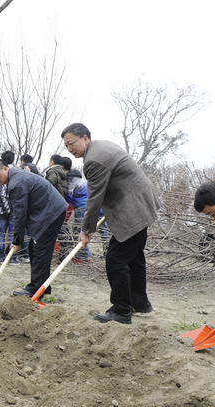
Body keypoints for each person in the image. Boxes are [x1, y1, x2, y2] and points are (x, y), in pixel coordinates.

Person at [62, 122, 160, 324]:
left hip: (133, 207)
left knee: (115, 259)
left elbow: (94, 198)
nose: (70, 149)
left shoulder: (94, 160)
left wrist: (86, 230)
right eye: (66, 146)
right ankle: (140, 302)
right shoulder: (101, 147)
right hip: (141, 202)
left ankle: (121, 310)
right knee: (133, 257)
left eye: (71, 143)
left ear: (85, 138)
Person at [0, 159, 67, 299]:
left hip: (51, 212)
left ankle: (36, 289)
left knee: (40, 250)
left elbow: (19, 214)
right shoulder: (15, 177)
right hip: (47, 210)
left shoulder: (16, 184)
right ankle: (42, 286)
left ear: (5, 168)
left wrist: (17, 240)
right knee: (34, 248)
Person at [61, 156, 92, 263]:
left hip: (81, 206)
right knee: (80, 229)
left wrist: (62, 203)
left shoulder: (71, 180)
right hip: (86, 205)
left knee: (79, 230)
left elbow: (69, 196)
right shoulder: (79, 178)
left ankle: (84, 256)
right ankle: (83, 255)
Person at [0, 150, 18, 265]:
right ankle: (12, 257)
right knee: (13, 233)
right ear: (13, 159)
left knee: (0, 233)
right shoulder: (16, 171)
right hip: (13, 209)